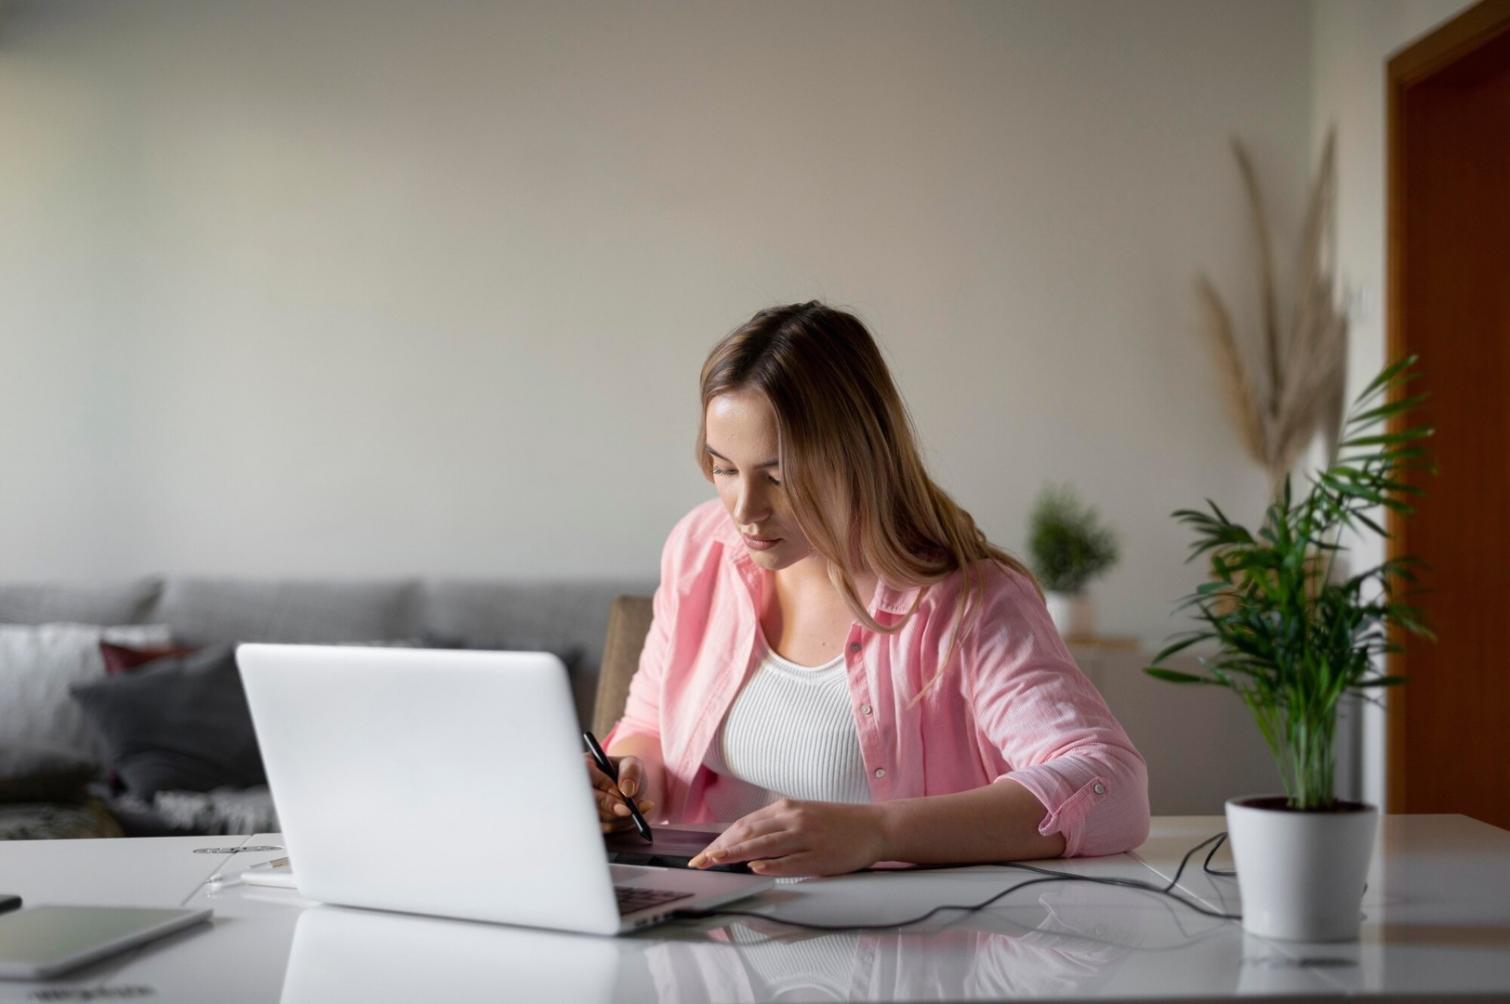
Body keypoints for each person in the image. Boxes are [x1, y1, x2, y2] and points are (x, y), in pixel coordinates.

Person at [589, 301, 1149, 877]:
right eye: (724, 469)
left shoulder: (967, 602)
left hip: (897, 948)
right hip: (706, 937)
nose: (744, 511)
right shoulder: (698, 549)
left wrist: (879, 833)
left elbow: (1112, 785)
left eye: (779, 477)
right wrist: (624, 778)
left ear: (857, 458)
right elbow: (652, 723)